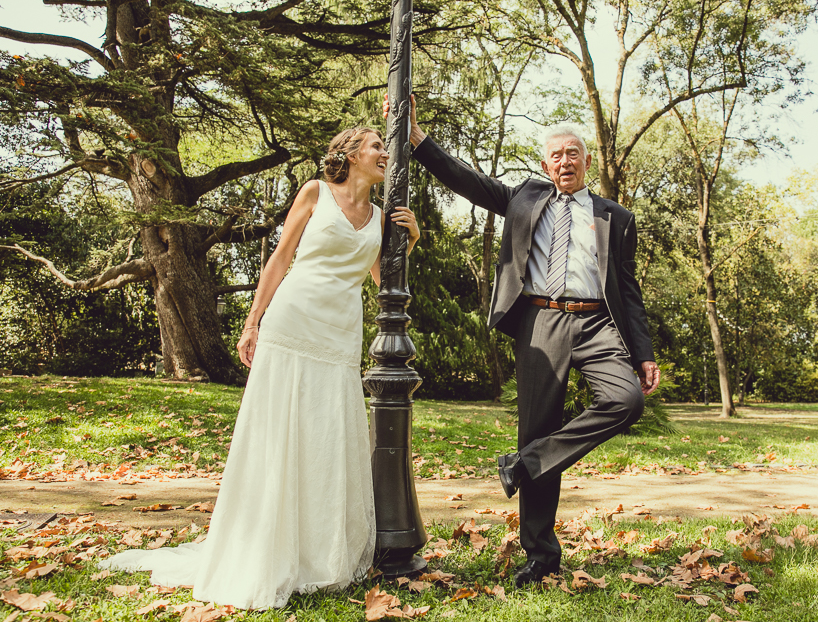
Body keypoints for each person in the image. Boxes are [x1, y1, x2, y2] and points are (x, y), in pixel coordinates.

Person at [100, 128, 420, 609]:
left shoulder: (381, 217)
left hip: (338, 335)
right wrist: (252, 323)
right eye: (378, 145)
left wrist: (408, 241)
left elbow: (379, 279)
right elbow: (280, 257)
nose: (385, 154)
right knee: (280, 431)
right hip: (293, 321)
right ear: (351, 154)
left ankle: (319, 553)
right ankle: (266, 544)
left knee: (325, 435)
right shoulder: (315, 192)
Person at [390, 96, 659, 587]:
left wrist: (643, 352)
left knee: (626, 400)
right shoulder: (524, 198)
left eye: (573, 153)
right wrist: (417, 140)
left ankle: (525, 465)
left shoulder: (614, 216)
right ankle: (541, 555)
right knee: (537, 427)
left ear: (587, 161)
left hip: (598, 324)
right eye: (556, 155)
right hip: (541, 322)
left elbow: (628, 286)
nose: (565, 162)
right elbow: (467, 182)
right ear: (544, 164)